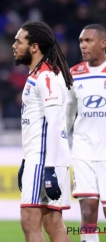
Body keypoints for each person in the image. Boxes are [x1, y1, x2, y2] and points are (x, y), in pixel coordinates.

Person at [13, 21, 73, 242]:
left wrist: (49, 169)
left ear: (34, 47)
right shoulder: (37, 75)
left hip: (44, 159)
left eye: (19, 41)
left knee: (30, 220)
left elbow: (55, 124)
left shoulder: (47, 77)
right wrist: (25, 160)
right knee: (51, 221)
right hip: (37, 158)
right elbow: (37, 125)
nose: (14, 45)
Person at [66, 24, 106, 242]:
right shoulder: (74, 73)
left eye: (88, 40)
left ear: (103, 43)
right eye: (81, 41)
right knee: (88, 211)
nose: (83, 45)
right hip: (83, 151)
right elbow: (67, 115)